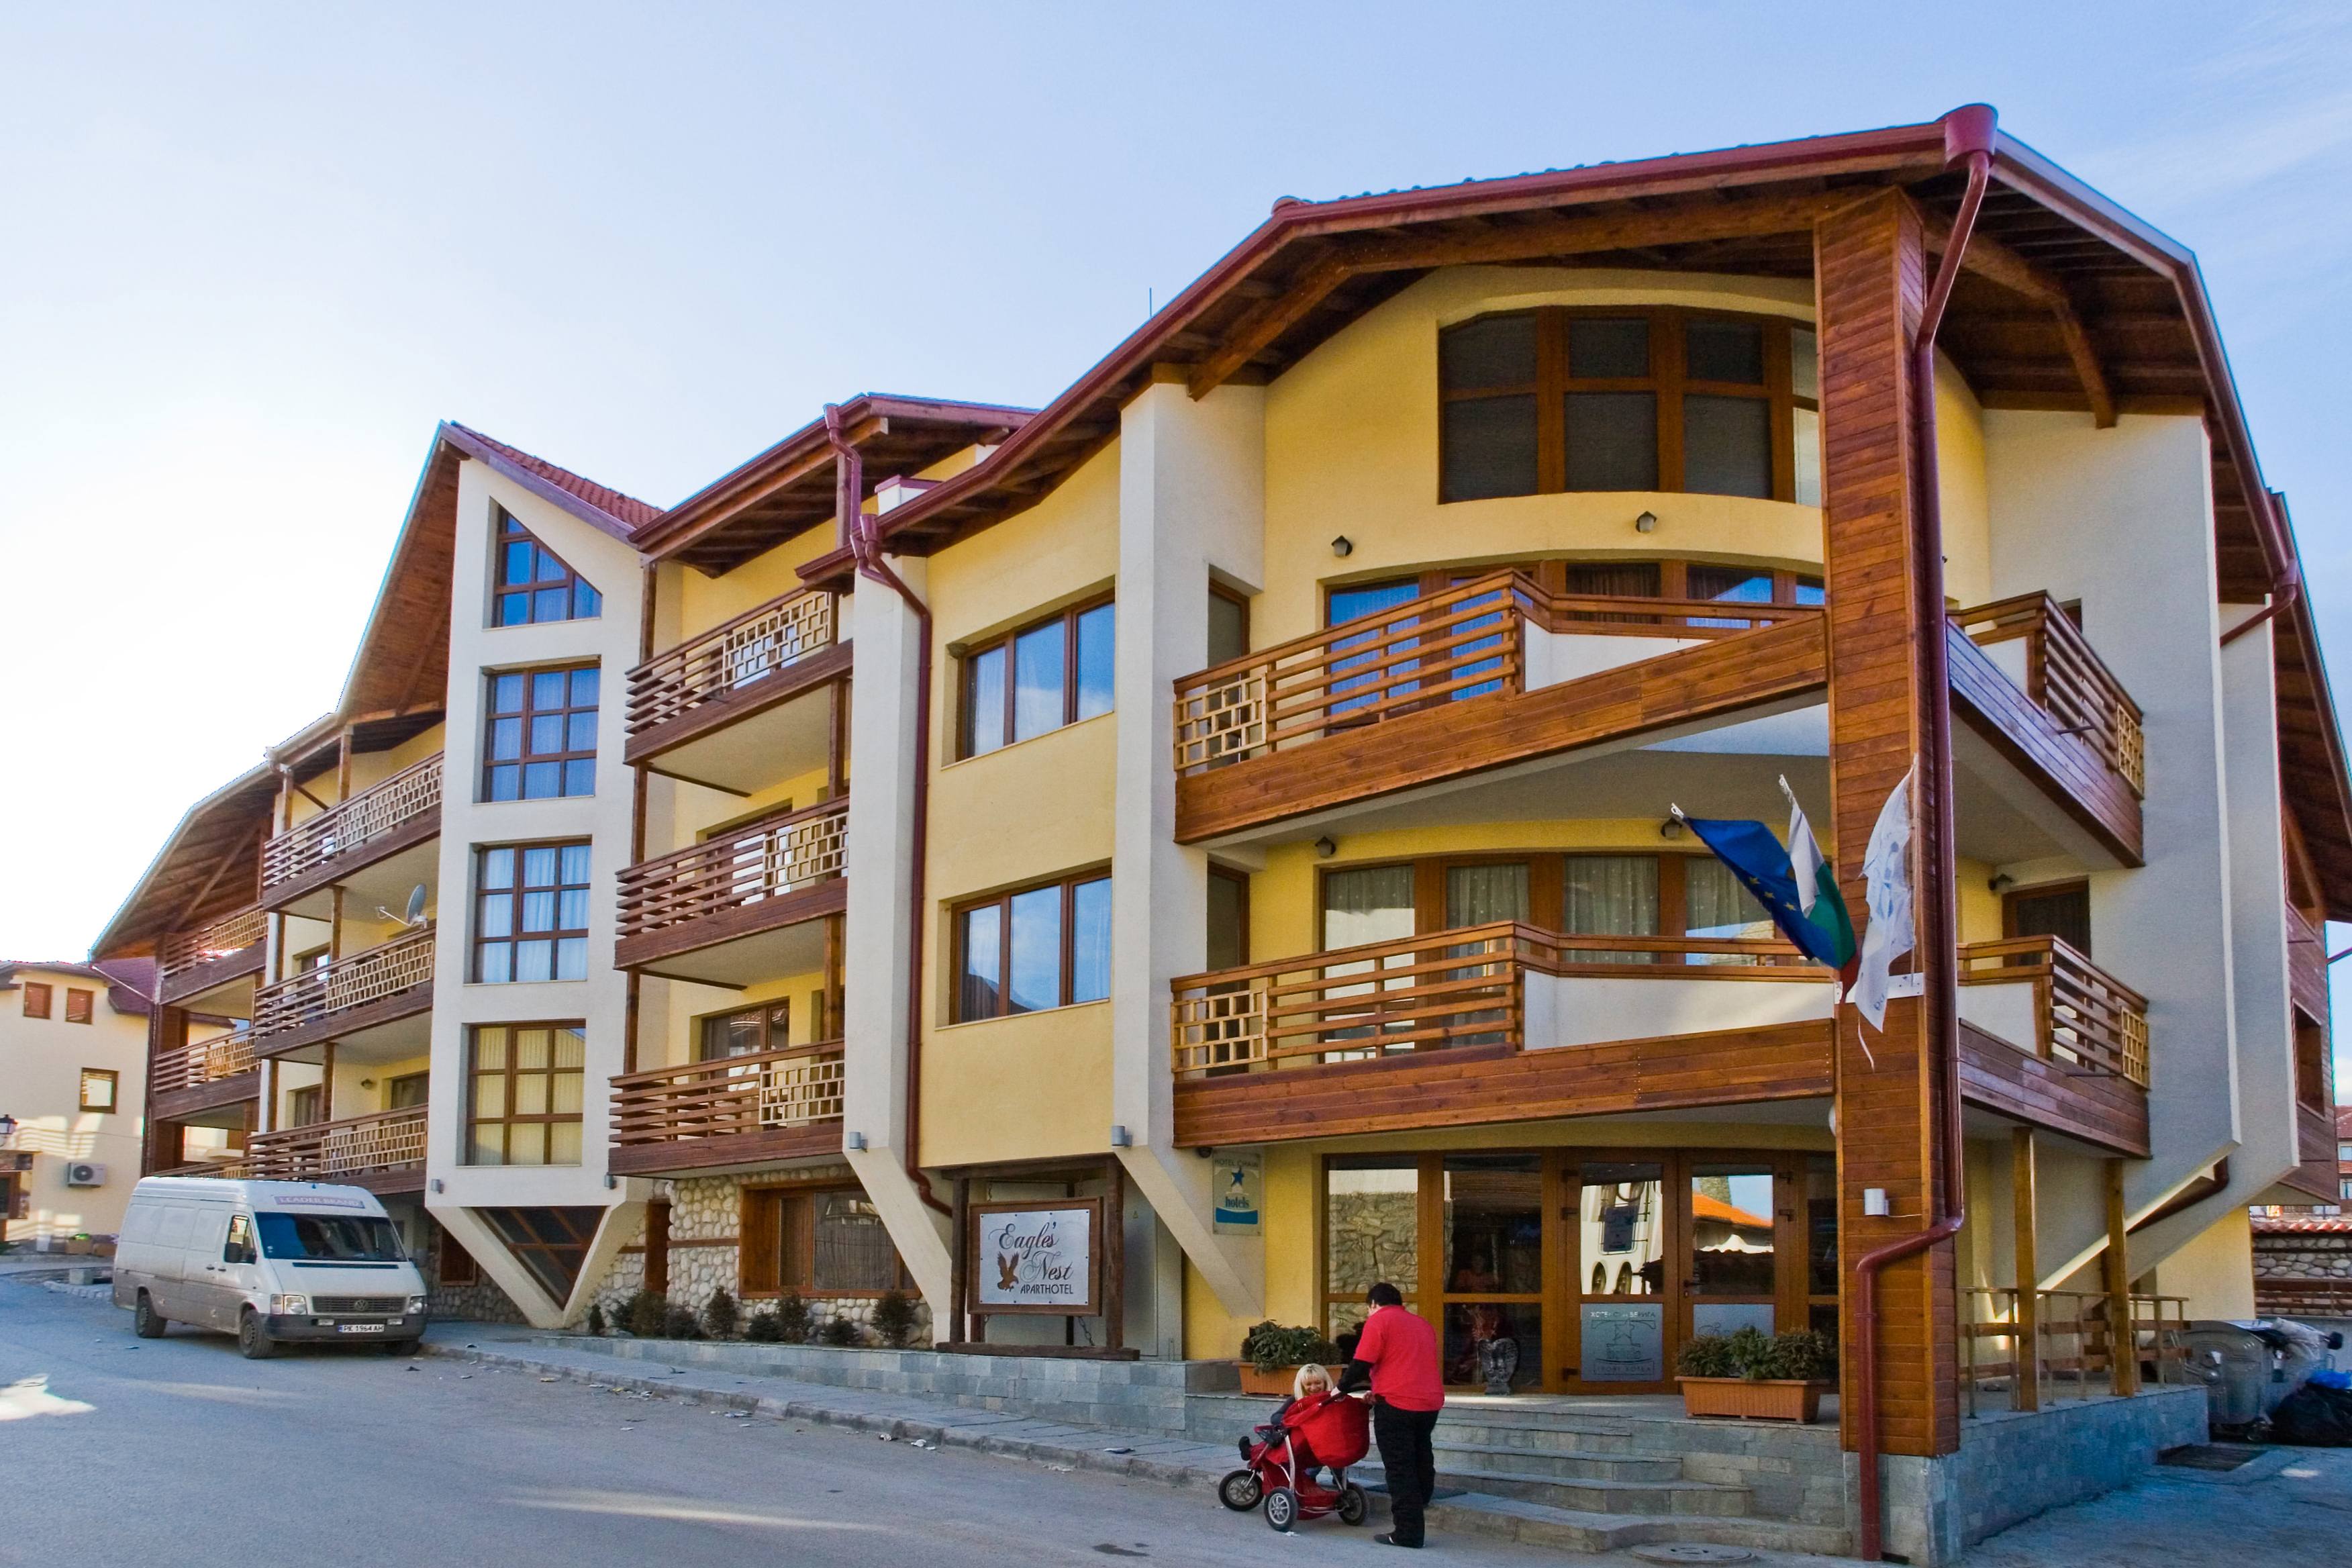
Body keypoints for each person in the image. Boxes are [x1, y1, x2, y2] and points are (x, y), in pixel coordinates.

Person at [1339, 1282, 1444, 1549]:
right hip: (1429, 1403)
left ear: (1373, 1304)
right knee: (1422, 1454)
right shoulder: (1423, 1324)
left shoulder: (1379, 1321)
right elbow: (1407, 1363)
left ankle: (1407, 1533)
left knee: (1400, 1469)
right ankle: (1422, 1499)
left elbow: (1362, 1362)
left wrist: (1339, 1389)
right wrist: (1378, 1389)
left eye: (1369, 1308)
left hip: (1397, 1405)